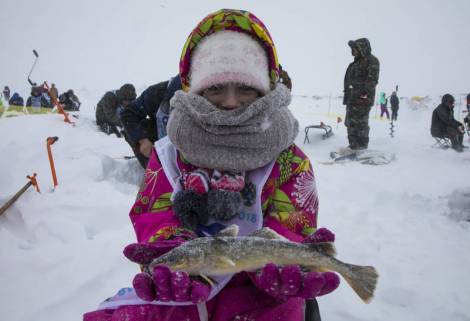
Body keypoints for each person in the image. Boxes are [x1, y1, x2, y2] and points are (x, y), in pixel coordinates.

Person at [83, 9, 339, 321]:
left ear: (266, 88)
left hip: (265, 295)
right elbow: (155, 211)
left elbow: (292, 223)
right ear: (193, 87)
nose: (230, 101)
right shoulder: (169, 155)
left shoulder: (289, 160)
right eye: (215, 87)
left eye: (245, 87)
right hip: (183, 290)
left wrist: (291, 254)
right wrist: (168, 243)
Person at [121, 75, 181, 168]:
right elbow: (128, 113)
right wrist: (142, 140)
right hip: (162, 137)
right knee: (136, 129)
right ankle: (153, 168)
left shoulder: (208, 92)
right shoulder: (157, 92)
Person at [343, 38, 380, 150]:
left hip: (362, 99)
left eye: (354, 49)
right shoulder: (356, 63)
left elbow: (372, 81)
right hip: (351, 99)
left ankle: (361, 146)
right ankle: (353, 145)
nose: (352, 51)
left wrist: (363, 93)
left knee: (361, 124)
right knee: (350, 123)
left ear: (361, 48)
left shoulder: (371, 61)